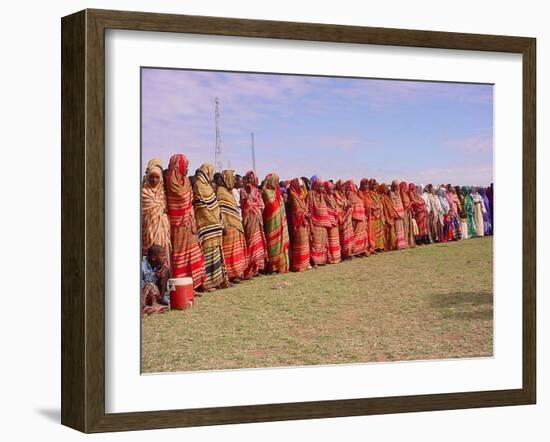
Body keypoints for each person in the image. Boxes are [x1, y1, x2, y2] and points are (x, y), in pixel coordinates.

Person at [165, 154, 205, 289]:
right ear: (178, 166)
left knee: (193, 252)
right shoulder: (170, 181)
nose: (187, 169)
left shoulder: (186, 181)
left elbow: (189, 199)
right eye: (185, 166)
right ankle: (181, 285)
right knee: (180, 254)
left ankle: (193, 283)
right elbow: (180, 198)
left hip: (189, 222)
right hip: (177, 225)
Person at [193, 163, 229, 290]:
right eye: (210, 172)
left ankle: (218, 280)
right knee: (208, 253)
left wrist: (219, 221)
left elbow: (215, 205)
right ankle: (208, 282)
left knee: (216, 253)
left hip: (215, 226)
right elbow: (201, 206)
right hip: (206, 225)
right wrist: (213, 221)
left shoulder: (208, 186)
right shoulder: (198, 186)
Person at [217, 170, 248, 282]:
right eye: (233, 178)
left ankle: (238, 273)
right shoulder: (220, 192)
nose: (234, 181)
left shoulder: (229, 191)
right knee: (230, 250)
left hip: (236, 224)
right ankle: (231, 274)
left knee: (236, 249)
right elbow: (221, 210)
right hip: (228, 225)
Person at [141, 159, 171, 261]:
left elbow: (165, 208)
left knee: (162, 252)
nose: (154, 180)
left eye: (156, 177)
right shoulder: (143, 192)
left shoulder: (162, 192)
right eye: (151, 177)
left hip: (162, 229)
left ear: (160, 178)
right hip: (148, 229)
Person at [240, 170, 267, 278]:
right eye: (248, 178)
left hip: (257, 219)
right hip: (248, 220)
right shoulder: (242, 191)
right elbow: (244, 204)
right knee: (250, 242)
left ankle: (257, 268)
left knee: (258, 243)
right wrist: (251, 204)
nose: (250, 180)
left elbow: (262, 205)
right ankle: (249, 269)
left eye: (252, 178)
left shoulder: (257, 191)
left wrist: (255, 207)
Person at [262, 173, 290, 273]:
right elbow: (268, 207)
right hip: (271, 223)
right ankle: (273, 267)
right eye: (275, 181)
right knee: (273, 244)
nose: (276, 183)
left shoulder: (278, 193)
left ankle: (282, 267)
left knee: (282, 243)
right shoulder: (265, 192)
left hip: (281, 222)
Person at [288, 177, 311, 271]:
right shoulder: (293, 195)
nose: (301, 188)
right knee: (300, 241)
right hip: (298, 221)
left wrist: (306, 212)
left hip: (304, 221)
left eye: (302, 186)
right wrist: (305, 214)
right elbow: (296, 209)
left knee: (305, 241)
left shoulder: (300, 195)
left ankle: (306, 262)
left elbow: (304, 206)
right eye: (300, 186)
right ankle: (299, 264)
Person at [141, 244, 170, 315]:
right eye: (162, 256)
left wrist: (163, 277)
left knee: (166, 271)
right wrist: (154, 277)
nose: (165, 258)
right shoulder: (142, 267)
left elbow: (162, 290)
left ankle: (156, 304)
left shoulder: (160, 266)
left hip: (154, 296)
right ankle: (153, 305)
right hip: (142, 296)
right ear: (153, 257)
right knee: (150, 285)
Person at [308, 179, 331, 266]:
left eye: (322, 187)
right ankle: (315, 261)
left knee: (322, 243)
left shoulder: (322, 196)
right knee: (315, 243)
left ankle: (322, 260)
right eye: (320, 187)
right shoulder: (311, 195)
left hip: (323, 223)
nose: (322, 189)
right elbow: (309, 207)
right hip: (315, 223)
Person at [346, 179, 369, 256]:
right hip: (355, 218)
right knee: (356, 235)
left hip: (362, 218)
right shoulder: (349, 194)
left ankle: (361, 250)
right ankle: (355, 251)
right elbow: (349, 205)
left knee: (362, 235)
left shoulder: (355, 194)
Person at [334, 180, 355, 259]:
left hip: (347, 216)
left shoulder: (343, 195)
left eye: (344, 186)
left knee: (349, 235)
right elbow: (338, 204)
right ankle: (345, 253)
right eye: (342, 186)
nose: (343, 188)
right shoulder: (336, 194)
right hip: (342, 217)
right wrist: (347, 205)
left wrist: (348, 205)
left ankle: (349, 252)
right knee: (343, 236)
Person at [323, 181, 342, 264]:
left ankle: (336, 257)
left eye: (333, 189)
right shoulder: (324, 197)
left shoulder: (332, 197)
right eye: (330, 189)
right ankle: (331, 258)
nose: (332, 190)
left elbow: (335, 207)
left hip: (334, 220)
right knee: (330, 240)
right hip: (329, 221)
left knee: (335, 239)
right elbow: (324, 209)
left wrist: (336, 214)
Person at [358, 178, 375, 254]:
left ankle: (371, 247)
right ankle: (364, 249)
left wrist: (372, 207)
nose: (366, 186)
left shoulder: (368, 193)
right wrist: (368, 207)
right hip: (364, 215)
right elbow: (361, 204)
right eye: (365, 184)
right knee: (365, 232)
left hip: (370, 215)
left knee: (370, 231)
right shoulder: (360, 193)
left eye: (367, 184)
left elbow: (371, 202)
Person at [378, 183, 397, 250]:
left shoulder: (386, 196)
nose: (386, 189)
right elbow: (382, 207)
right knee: (386, 231)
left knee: (390, 230)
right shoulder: (380, 197)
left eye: (387, 188)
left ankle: (391, 245)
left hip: (390, 216)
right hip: (384, 216)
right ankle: (386, 246)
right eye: (385, 188)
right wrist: (385, 216)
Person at [389, 180, 407, 250]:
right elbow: (393, 205)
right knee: (397, 231)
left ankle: (402, 244)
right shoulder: (391, 193)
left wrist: (401, 212)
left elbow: (400, 203)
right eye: (395, 186)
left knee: (401, 230)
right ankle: (398, 245)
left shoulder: (398, 193)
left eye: (397, 186)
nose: (396, 188)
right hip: (396, 214)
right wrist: (398, 213)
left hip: (401, 214)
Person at [399, 181, 416, 248]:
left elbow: (412, 201)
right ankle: (405, 242)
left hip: (408, 212)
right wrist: (409, 204)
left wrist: (410, 205)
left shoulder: (407, 194)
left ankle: (409, 242)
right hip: (404, 212)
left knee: (409, 227)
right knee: (405, 227)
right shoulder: (401, 194)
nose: (404, 188)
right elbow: (405, 204)